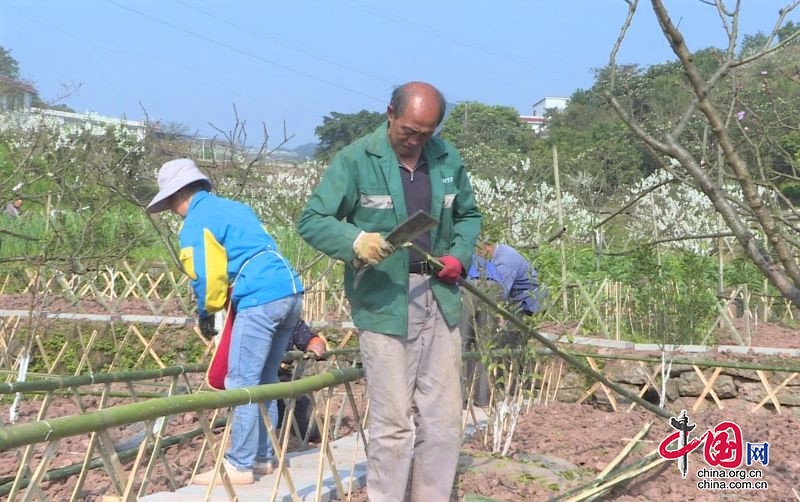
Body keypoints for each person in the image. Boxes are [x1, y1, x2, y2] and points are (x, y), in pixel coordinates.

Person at [297, 81, 481, 501]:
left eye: (426, 133)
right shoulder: (356, 159)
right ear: (390, 114)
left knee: (444, 420)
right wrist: (356, 241)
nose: (416, 140)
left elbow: (468, 215)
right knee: (393, 422)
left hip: (442, 297)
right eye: (409, 131)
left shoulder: (447, 158)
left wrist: (459, 254)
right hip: (385, 301)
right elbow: (312, 219)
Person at [146, 158, 304, 485]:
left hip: (259, 297)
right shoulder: (236, 208)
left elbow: (206, 275)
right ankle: (264, 457)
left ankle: (241, 464)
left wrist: (206, 311)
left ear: (176, 197)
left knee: (242, 381)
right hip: (289, 291)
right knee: (266, 378)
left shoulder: (195, 222)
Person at [461, 239, 544, 406]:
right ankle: (483, 398)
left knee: (461, 343)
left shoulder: (502, 259)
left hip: (471, 287)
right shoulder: (487, 255)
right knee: (486, 346)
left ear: (488, 246)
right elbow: (500, 289)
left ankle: (460, 398)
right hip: (494, 288)